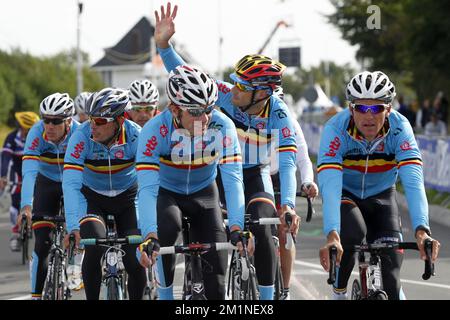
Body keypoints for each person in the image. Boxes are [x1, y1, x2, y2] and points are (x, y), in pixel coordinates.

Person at [153, 2, 302, 300]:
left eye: (241, 85)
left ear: (262, 93)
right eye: (234, 81)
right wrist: (164, 45)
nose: (233, 88)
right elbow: (185, 74)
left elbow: (288, 164)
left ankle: (268, 299)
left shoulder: (279, 113)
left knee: (264, 228)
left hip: (254, 177)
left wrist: (287, 204)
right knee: (208, 232)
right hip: (220, 175)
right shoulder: (225, 96)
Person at [317, 71, 441, 300]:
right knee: (353, 233)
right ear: (351, 109)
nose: (369, 116)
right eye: (361, 108)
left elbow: (413, 181)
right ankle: (339, 292)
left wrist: (422, 231)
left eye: (376, 109)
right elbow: (330, 184)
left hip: (382, 196)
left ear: (389, 110)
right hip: (346, 195)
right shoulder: (336, 129)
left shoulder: (400, 129)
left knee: (392, 279)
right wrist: (332, 234)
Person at [136, 65, 246, 300]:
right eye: (196, 111)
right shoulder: (155, 131)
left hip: (205, 194)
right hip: (168, 195)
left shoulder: (222, 125)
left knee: (216, 283)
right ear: (175, 109)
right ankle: (165, 295)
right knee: (167, 228)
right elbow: (146, 189)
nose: (205, 118)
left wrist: (236, 226)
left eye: (209, 109)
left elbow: (233, 177)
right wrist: (149, 235)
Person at [63, 88, 146, 300]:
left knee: (134, 258)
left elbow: (150, 181)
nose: (93, 126)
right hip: (92, 199)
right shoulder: (81, 136)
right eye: (91, 119)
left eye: (100, 121)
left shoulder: (136, 135)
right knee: (94, 246)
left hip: (128, 198)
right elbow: (71, 183)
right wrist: (73, 226)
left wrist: (151, 224)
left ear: (119, 120)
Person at [17, 93, 79, 300]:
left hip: (76, 182)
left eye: (56, 121)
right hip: (47, 183)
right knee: (42, 243)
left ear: (69, 121)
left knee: (81, 231)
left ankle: (76, 266)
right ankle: (36, 296)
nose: (49, 126)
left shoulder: (80, 133)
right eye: (46, 120)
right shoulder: (36, 133)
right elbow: (29, 172)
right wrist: (26, 206)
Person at [270, 89, 319, 300]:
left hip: (282, 177)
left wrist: (307, 181)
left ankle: (286, 291)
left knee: (286, 232)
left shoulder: (289, 121)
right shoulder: (246, 119)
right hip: (255, 177)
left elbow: (303, 159)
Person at [0, 111, 40, 252]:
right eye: (25, 128)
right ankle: (15, 232)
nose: (27, 131)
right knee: (15, 200)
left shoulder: (39, 136)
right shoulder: (11, 138)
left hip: (35, 172)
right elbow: (5, 158)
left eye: (30, 129)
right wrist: (3, 176)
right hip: (17, 173)